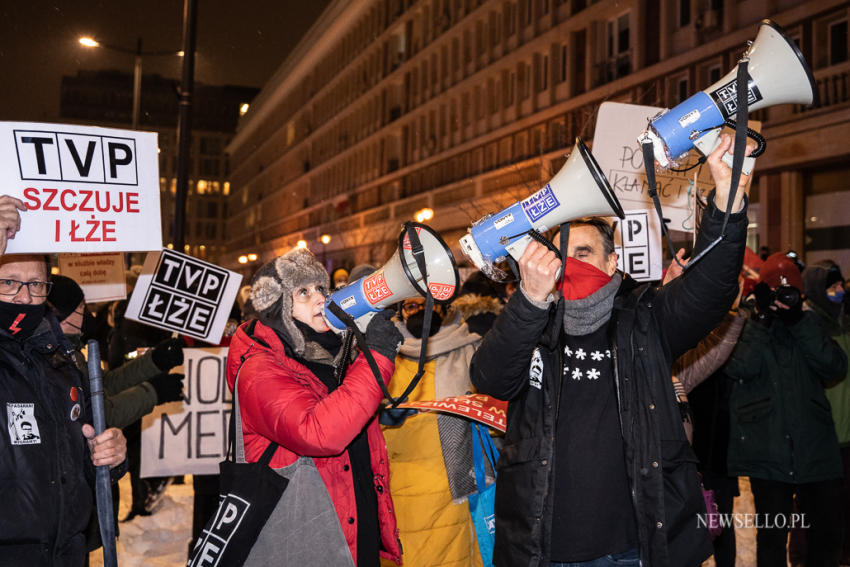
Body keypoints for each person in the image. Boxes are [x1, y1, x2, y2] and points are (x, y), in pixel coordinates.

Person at [470, 134, 751, 567]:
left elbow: (711, 288)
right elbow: (491, 378)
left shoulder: (646, 321)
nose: (572, 266)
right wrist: (528, 301)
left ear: (612, 263)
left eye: (584, 253)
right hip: (544, 547)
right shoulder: (531, 325)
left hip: (633, 548)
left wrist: (728, 202)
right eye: (562, 257)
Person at [227, 247, 403, 566]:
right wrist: (376, 356)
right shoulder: (258, 369)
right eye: (304, 292)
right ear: (275, 305)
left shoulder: (334, 353)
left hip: (348, 527)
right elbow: (318, 433)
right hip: (299, 537)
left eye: (322, 288)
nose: (321, 298)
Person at [0, 251, 127, 566]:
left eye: (36, 284)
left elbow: (78, 462)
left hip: (66, 553)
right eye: (8, 283)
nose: (25, 297)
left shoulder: (61, 362)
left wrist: (109, 456)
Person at [725, 253, 847, 567]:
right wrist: (760, 321)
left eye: (789, 291)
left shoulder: (811, 320)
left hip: (815, 449)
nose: (783, 299)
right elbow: (739, 368)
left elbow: (835, 366)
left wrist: (798, 321)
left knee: (825, 539)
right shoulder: (748, 322)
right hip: (767, 451)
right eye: (775, 292)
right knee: (771, 543)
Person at [380, 295, 487, 566]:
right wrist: (381, 417)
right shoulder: (384, 354)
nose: (419, 311)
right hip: (400, 493)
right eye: (411, 306)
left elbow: (494, 412)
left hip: (457, 493)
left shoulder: (470, 348)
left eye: (426, 304)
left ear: (444, 306)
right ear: (400, 312)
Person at [48, 274, 186, 429]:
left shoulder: (70, 352)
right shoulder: (56, 358)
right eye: (80, 306)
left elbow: (105, 383)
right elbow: (101, 416)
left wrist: (154, 361)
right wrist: (154, 391)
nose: (85, 312)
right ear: (64, 315)